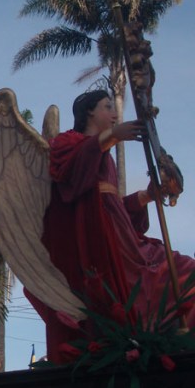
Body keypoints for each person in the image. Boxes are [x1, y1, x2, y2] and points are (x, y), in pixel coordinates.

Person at [27, 90, 195, 362]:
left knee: (184, 270)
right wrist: (113, 136)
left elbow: (114, 208)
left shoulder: (105, 154)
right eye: (108, 107)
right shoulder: (68, 141)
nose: (115, 114)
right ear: (90, 111)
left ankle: (178, 343)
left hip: (124, 241)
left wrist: (148, 195)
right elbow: (70, 176)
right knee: (168, 278)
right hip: (98, 246)